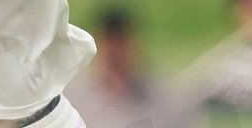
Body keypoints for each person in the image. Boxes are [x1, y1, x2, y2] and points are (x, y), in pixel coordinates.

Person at [65, 7, 199, 128]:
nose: (116, 52)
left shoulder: (165, 98)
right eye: (110, 43)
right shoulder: (75, 102)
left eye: (121, 43)